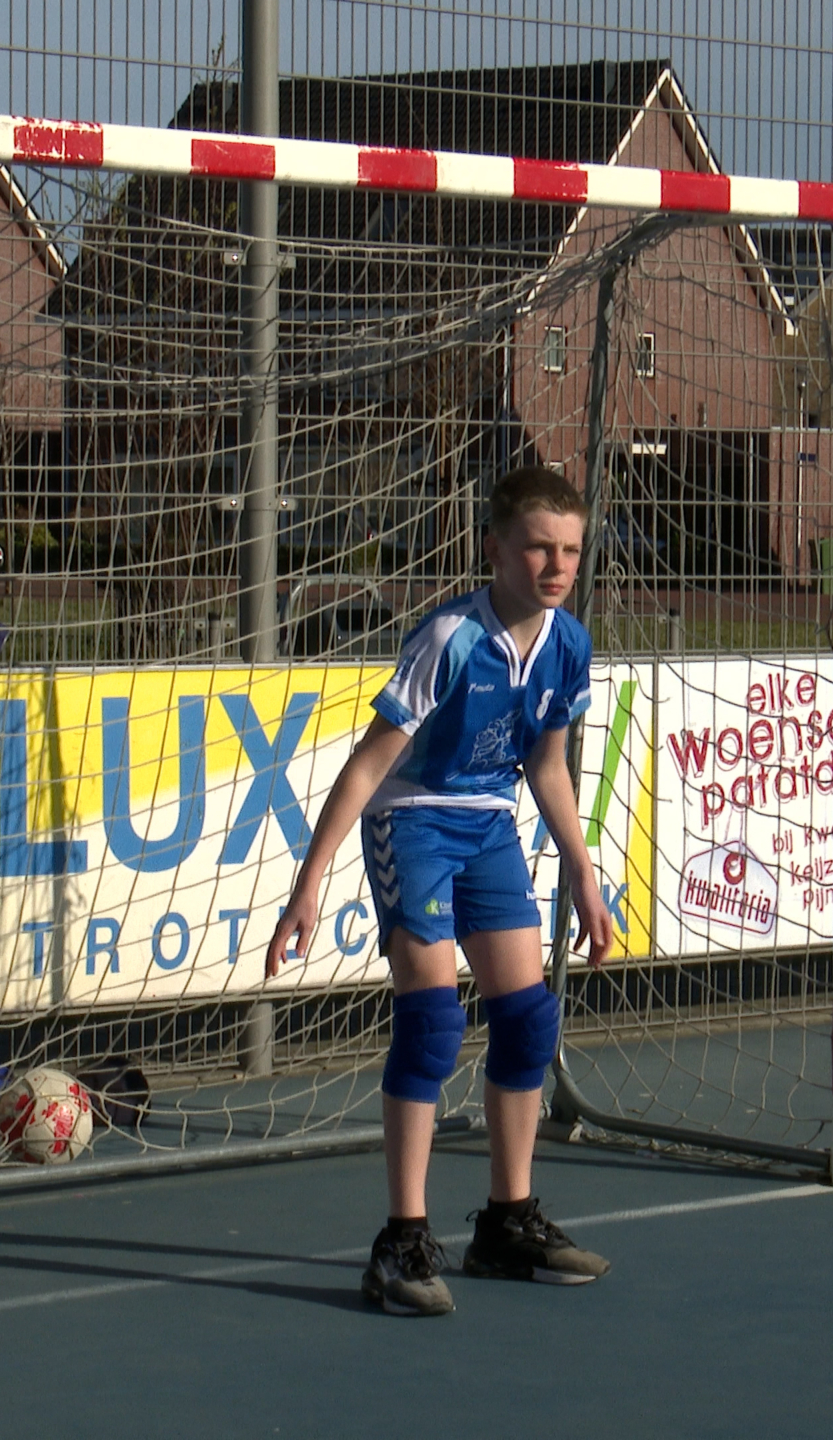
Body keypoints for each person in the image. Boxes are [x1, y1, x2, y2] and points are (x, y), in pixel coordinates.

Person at [266, 464, 618, 1317]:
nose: (556, 565)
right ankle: (402, 1239)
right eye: (538, 546)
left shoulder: (566, 642)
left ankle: (506, 1220)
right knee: (431, 1024)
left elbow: (547, 764)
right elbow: (367, 767)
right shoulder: (450, 639)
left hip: (490, 825)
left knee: (530, 1016)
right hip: (414, 823)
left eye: (570, 549)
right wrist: (308, 884)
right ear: (494, 549)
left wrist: (581, 865)